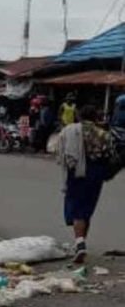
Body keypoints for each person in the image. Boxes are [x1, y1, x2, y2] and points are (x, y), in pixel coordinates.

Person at [58, 105, 114, 265]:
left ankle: (80, 243)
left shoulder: (71, 130)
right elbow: (110, 154)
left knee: (76, 208)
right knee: (87, 207)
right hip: (96, 173)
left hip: (77, 171)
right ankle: (80, 243)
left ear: (79, 116)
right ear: (96, 117)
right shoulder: (103, 134)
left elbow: (60, 149)